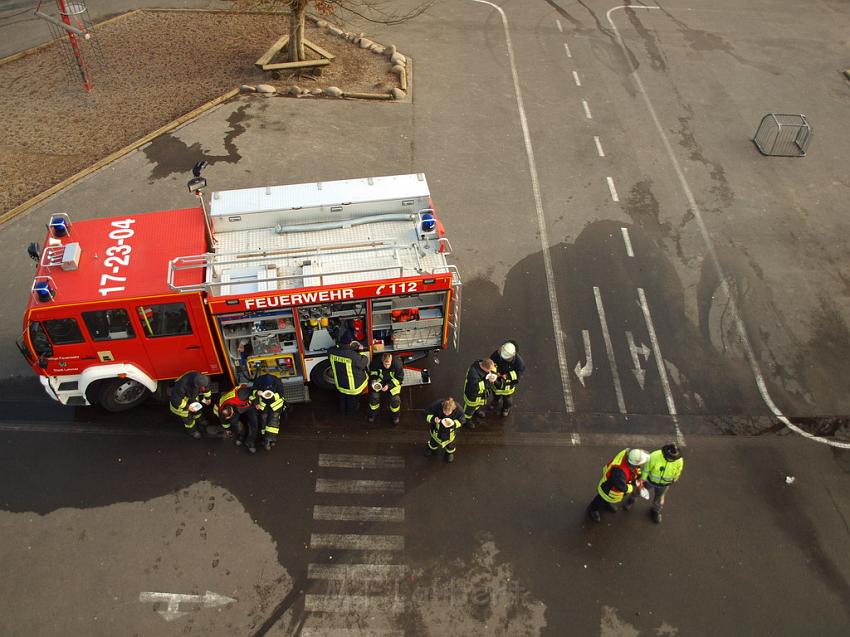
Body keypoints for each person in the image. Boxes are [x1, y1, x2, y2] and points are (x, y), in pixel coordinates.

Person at [624, 443, 684, 523]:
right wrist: (642, 480)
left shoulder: (679, 460)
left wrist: (675, 479)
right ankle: (631, 500)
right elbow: (646, 469)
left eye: (673, 458)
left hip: (664, 484)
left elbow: (678, 471)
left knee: (659, 499)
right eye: (670, 458)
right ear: (664, 454)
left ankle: (656, 511)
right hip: (649, 481)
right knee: (637, 491)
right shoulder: (654, 456)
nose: (671, 460)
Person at [587, 448, 649, 523]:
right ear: (634, 463)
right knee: (601, 499)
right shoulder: (619, 472)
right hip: (608, 489)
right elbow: (621, 486)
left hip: (611, 483)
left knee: (606, 500)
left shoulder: (628, 455)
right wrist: (631, 488)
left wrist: (638, 477)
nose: (642, 464)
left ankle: (607, 504)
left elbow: (636, 470)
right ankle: (593, 509)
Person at [327, 340, 369, 416]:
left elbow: (332, 349)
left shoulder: (331, 351)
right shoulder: (353, 355)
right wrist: (361, 351)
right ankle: (351, 414)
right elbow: (363, 363)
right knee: (352, 401)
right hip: (353, 387)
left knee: (343, 398)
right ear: (350, 343)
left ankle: (343, 412)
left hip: (341, 384)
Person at [214, 383, 259, 453]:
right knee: (234, 423)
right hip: (237, 407)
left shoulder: (242, 394)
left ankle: (250, 442)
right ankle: (241, 437)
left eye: (230, 416)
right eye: (228, 417)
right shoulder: (220, 409)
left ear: (232, 410)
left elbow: (254, 391)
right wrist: (227, 429)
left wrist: (256, 403)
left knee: (254, 422)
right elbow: (223, 421)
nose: (229, 417)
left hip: (249, 405)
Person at [169, 371, 212, 439]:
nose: (203, 389)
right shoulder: (182, 385)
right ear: (196, 384)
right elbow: (176, 400)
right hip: (181, 406)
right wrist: (187, 406)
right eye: (201, 387)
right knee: (188, 420)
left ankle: (199, 420)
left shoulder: (202, 379)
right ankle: (192, 431)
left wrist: (208, 398)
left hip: (191, 398)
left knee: (197, 411)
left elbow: (205, 389)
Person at [251, 373, 287, 451]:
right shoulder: (258, 381)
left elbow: (281, 394)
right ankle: (266, 438)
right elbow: (253, 392)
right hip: (264, 404)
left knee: (273, 421)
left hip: (275, 404)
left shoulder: (277, 381)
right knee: (264, 420)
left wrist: (272, 396)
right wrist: (257, 394)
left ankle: (270, 439)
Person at [489, 340, 525, 417]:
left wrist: (507, 375)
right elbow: (491, 363)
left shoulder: (519, 363)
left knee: (507, 399)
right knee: (495, 393)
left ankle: (506, 408)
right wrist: (495, 373)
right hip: (496, 380)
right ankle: (495, 401)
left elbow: (518, 375)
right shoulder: (497, 354)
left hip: (508, 384)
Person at [368, 352, 404, 425]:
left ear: (391, 361)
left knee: (395, 400)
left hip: (392, 383)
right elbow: (373, 372)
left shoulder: (398, 364)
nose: (387, 366)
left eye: (388, 364)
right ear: (382, 361)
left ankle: (395, 416)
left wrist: (388, 386)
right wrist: (374, 380)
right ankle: (373, 413)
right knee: (374, 397)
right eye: (385, 364)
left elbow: (399, 379)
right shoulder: (376, 362)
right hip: (380, 381)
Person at [424, 397, 464, 463]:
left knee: (450, 445)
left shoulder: (459, 410)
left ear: (453, 409)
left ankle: (449, 453)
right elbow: (426, 413)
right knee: (434, 441)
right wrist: (433, 419)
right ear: (442, 407)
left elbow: (462, 420)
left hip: (450, 433)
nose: (446, 414)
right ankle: (431, 448)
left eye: (448, 413)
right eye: (444, 411)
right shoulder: (436, 405)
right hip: (437, 431)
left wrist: (454, 423)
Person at [462, 358, 497, 427]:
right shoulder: (473, 373)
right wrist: (488, 381)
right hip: (472, 395)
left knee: (477, 405)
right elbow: (475, 387)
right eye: (489, 370)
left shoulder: (482, 363)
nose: (491, 371)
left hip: (481, 395)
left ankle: (475, 411)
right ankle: (466, 420)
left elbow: (493, 369)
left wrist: (493, 374)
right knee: (469, 409)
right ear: (485, 368)